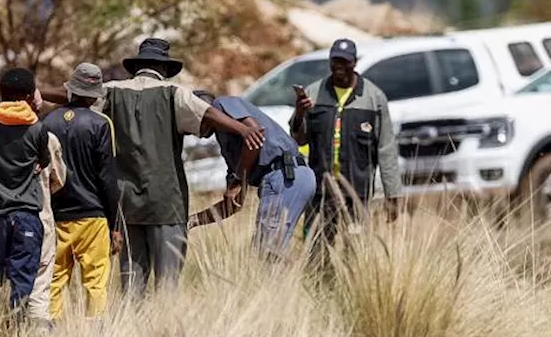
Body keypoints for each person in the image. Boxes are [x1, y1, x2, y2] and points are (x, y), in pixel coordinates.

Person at [102, 38, 265, 296]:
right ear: (164, 68)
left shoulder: (111, 91)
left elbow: (74, 97)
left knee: (131, 282)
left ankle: (128, 333)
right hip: (167, 202)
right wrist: (242, 129)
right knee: (168, 284)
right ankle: (164, 332)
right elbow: (207, 114)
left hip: (127, 201)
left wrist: (36, 90)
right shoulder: (173, 93)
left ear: (137, 66)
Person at [289, 39, 402, 267]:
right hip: (320, 190)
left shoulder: (373, 98)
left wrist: (393, 194)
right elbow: (298, 138)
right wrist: (300, 113)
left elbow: (386, 148)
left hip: (357, 191)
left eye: (344, 62)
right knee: (317, 249)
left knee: (357, 251)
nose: (338, 66)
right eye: (334, 61)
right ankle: (319, 290)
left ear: (355, 63)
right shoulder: (313, 93)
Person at [188, 91, 317, 259]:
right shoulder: (229, 144)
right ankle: (284, 283)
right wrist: (192, 220)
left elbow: (255, 132)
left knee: (267, 251)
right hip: (291, 177)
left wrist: (238, 180)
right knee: (269, 249)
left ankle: (277, 285)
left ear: (203, 111)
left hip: (284, 176)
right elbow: (233, 204)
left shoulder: (221, 104)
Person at [0, 67, 50, 313]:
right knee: (22, 285)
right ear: (28, 96)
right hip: (25, 216)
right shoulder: (37, 129)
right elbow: (43, 161)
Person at [43, 63, 121, 319]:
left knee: (54, 282)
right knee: (96, 283)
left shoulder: (47, 121)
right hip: (93, 216)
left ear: (70, 89)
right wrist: (115, 224)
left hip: (57, 216)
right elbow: (108, 179)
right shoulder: (101, 123)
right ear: (93, 95)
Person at [26, 105, 65, 327]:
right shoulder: (47, 137)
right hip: (39, 217)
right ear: (32, 98)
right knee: (40, 285)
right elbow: (58, 181)